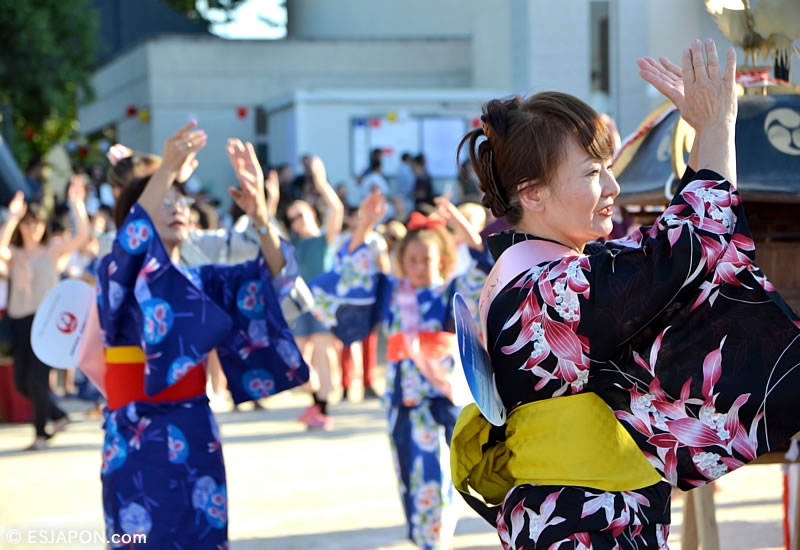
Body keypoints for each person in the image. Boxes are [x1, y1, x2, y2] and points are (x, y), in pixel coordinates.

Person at [449, 40, 800, 548]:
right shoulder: (550, 293)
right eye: (593, 173)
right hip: (583, 521)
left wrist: (705, 132)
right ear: (532, 193)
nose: (612, 186)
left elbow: (674, 259)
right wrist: (719, 126)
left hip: (581, 514)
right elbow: (688, 248)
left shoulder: (534, 278)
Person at [92, 122, 308, 548]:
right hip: (135, 436)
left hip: (194, 429)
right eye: (164, 198)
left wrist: (261, 216)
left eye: (181, 199)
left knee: (203, 537)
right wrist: (168, 167)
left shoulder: (204, 281)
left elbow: (277, 285)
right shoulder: (116, 271)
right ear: (135, 216)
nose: (177, 206)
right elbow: (130, 246)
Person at [310, 192, 485, 549]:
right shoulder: (389, 292)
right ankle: (425, 539)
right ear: (402, 261)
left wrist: (458, 221)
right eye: (413, 259)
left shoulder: (453, 291)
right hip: (401, 402)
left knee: (438, 478)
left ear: (444, 259)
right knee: (409, 475)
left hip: (441, 400)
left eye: (428, 258)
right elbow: (350, 272)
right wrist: (364, 225)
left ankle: (434, 540)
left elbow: (485, 267)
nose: (421, 265)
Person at [0, 176, 90, 450]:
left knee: (38, 379)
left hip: (46, 323)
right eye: (28, 223)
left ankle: (41, 434)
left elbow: (82, 237)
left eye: (37, 223)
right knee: (22, 383)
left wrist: (77, 205)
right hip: (18, 321)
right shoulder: (15, 253)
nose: (33, 228)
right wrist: (13, 218)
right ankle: (58, 416)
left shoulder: (52, 251)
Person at [285, 157, 345, 429]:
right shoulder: (293, 243)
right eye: (292, 218)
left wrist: (321, 183)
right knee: (297, 359)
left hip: (321, 305)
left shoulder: (325, 239)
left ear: (310, 213)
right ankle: (315, 402)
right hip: (299, 304)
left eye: (300, 215)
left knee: (322, 355)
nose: (296, 221)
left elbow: (337, 209)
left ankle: (323, 409)